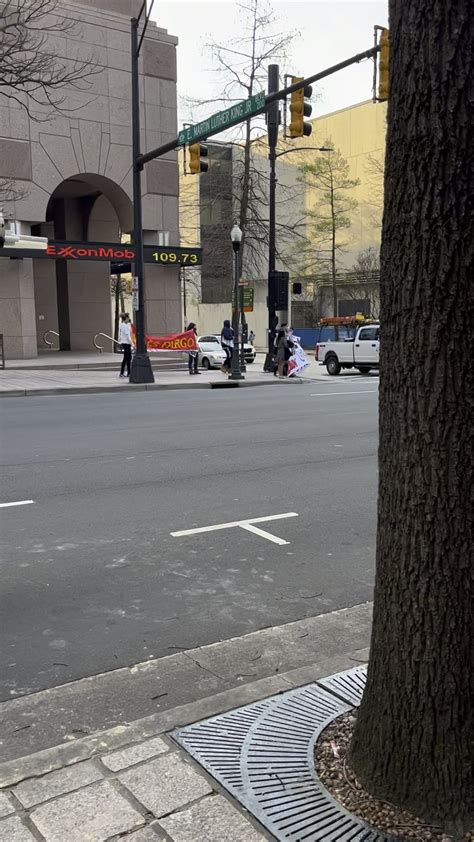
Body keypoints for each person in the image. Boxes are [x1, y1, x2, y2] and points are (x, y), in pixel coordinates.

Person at [119, 312, 132, 378]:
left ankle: (123, 372)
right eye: (128, 318)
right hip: (127, 343)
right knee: (128, 358)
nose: (129, 319)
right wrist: (131, 343)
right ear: (126, 318)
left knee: (126, 358)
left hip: (124, 342)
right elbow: (127, 336)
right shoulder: (125, 326)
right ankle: (128, 373)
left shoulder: (122, 325)